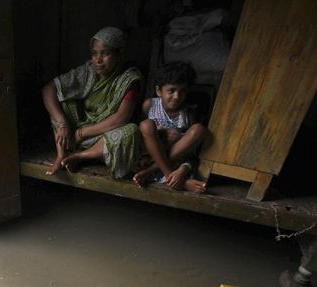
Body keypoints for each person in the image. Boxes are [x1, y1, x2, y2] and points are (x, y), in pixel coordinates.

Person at [42, 27, 143, 178]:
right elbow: (48, 89)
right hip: (75, 133)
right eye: (95, 53)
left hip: (103, 136)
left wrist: (81, 134)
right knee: (63, 103)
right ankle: (61, 154)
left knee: (130, 131)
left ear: (119, 54)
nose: (98, 60)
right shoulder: (88, 71)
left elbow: (120, 119)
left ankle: (81, 157)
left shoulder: (129, 80)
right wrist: (63, 123)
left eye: (106, 53)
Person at [134, 62, 206, 192]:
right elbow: (140, 133)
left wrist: (179, 138)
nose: (177, 96)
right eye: (171, 91)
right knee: (146, 125)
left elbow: (190, 150)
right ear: (158, 91)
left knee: (198, 129)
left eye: (182, 91)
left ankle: (152, 172)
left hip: (174, 159)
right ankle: (173, 178)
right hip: (151, 155)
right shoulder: (149, 105)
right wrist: (163, 133)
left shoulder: (187, 114)